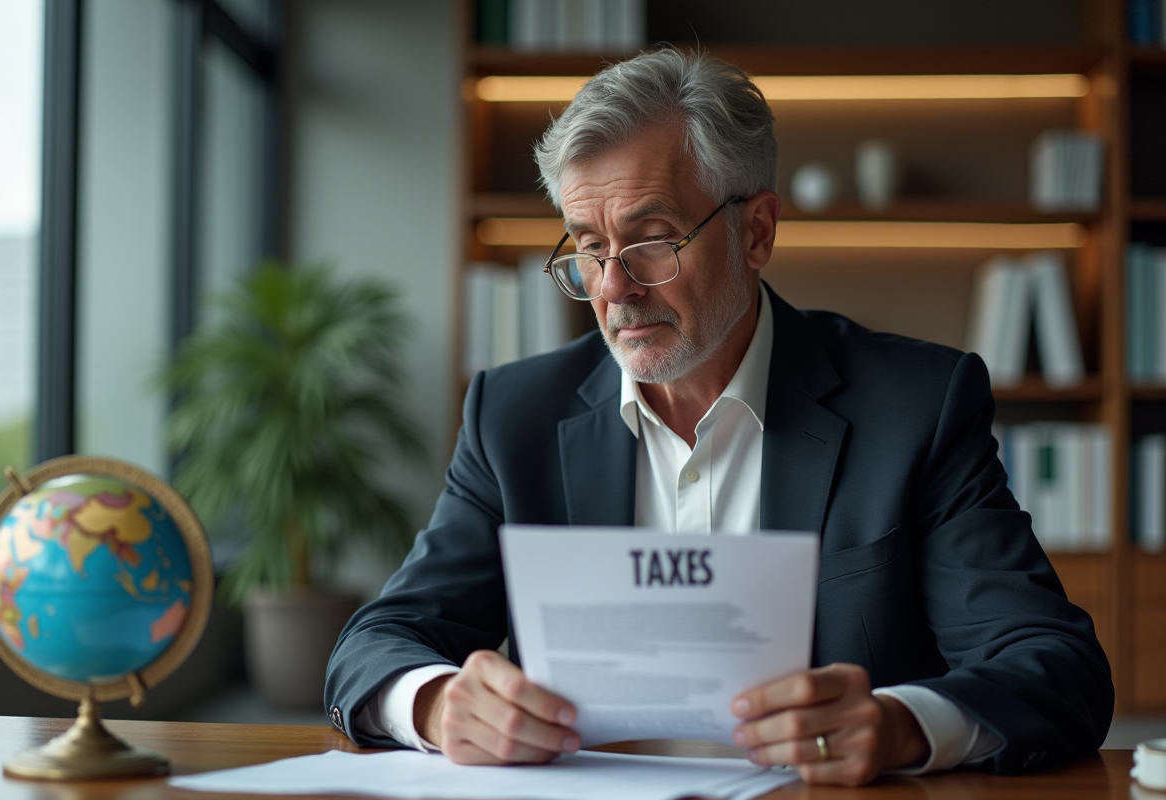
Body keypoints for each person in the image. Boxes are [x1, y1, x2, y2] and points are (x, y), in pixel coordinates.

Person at [324, 49, 1113, 786]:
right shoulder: (514, 416)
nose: (613, 288)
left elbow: (1056, 664)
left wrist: (900, 725)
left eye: (652, 241)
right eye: (589, 248)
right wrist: (437, 704)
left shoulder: (915, 408)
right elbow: (376, 643)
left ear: (757, 232)